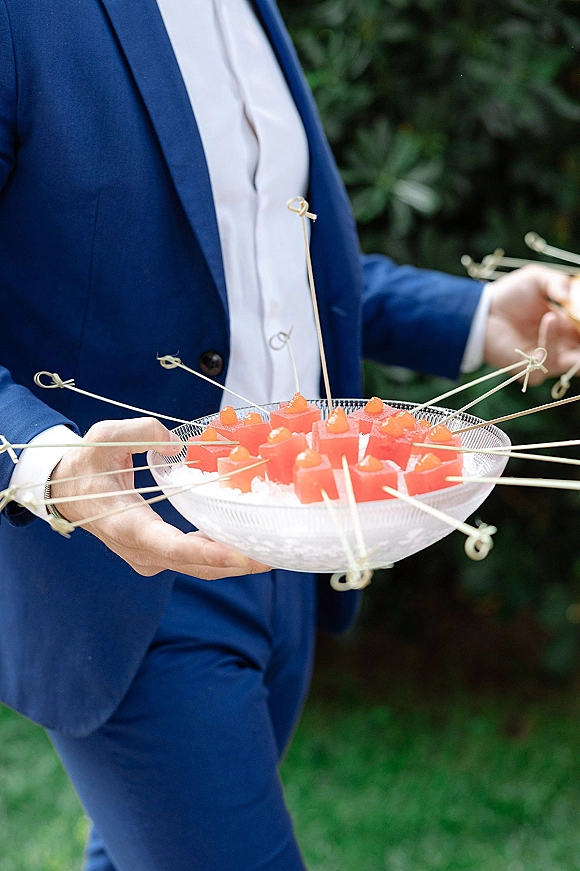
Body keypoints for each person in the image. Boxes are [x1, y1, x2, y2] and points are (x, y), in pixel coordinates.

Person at [0, 1, 578, 869]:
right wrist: (45, 461)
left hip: (293, 545)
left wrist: (478, 315)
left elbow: (268, 265)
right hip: (131, 570)